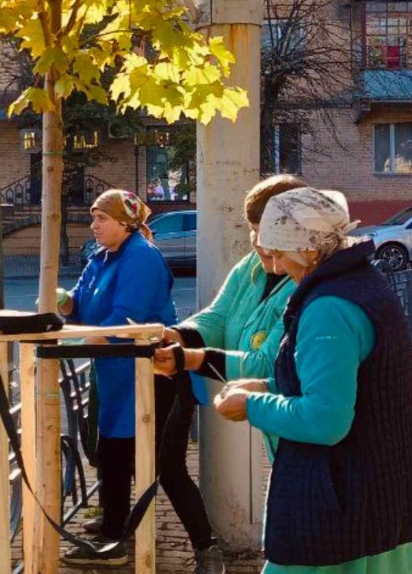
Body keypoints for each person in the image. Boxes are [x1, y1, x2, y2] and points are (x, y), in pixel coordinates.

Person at [213, 187, 412, 574]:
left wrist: (251, 405)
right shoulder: (362, 282)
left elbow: (326, 420)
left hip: (343, 502)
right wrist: (271, 387)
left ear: (309, 249)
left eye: (280, 252)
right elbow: (353, 383)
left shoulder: (328, 307)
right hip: (387, 488)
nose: (278, 266)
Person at [145, 175, 307, 574]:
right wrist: (176, 334)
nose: (255, 243)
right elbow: (218, 316)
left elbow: (267, 363)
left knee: (302, 542)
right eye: (251, 231)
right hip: (288, 429)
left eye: (262, 231)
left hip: (308, 428)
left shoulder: (305, 283)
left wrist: (191, 359)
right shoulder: (254, 265)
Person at [57, 189, 177, 566]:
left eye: (101, 219)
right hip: (113, 367)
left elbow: (126, 318)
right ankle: (113, 521)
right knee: (111, 447)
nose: (93, 226)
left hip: (144, 369)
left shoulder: (142, 257)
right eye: (93, 218)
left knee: (127, 451)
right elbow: (80, 300)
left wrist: (75, 338)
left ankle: (118, 539)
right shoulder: (102, 256)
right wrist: (63, 302)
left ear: (125, 223)